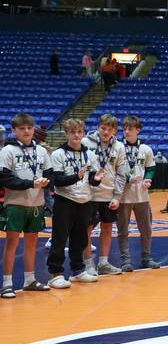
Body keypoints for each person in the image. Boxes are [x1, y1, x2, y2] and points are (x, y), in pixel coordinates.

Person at [0, 113, 53, 298]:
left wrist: (47, 181)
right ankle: (6, 283)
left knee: (32, 242)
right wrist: (30, 184)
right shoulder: (7, 151)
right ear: (14, 130)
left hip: (36, 204)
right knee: (12, 243)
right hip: (15, 203)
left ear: (34, 129)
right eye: (22, 128)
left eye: (29, 128)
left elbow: (49, 173)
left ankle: (29, 280)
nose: (26, 131)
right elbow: (5, 178)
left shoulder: (41, 151)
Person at [46, 118, 102, 288]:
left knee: (81, 238)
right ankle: (55, 274)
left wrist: (96, 179)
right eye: (72, 132)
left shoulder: (90, 154)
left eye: (79, 132)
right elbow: (58, 181)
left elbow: (91, 179)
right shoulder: (58, 154)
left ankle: (78, 271)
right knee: (60, 238)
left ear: (83, 133)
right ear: (66, 133)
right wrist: (76, 176)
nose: (76, 135)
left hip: (85, 200)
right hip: (65, 201)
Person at [82, 114, 128, 276]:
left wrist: (117, 196)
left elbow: (121, 174)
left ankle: (103, 262)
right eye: (103, 128)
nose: (106, 132)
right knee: (86, 230)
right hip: (88, 195)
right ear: (98, 127)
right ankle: (88, 264)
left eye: (109, 129)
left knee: (107, 228)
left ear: (115, 130)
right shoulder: (85, 143)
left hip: (108, 195)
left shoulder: (119, 147)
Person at [117, 116, 158, 271]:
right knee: (123, 230)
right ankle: (125, 260)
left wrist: (147, 180)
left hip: (142, 195)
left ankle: (146, 258)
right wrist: (128, 178)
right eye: (125, 128)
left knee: (146, 229)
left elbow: (151, 168)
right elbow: (113, 169)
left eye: (130, 129)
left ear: (138, 130)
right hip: (123, 196)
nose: (127, 131)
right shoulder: (117, 147)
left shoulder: (146, 149)